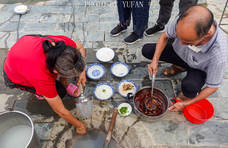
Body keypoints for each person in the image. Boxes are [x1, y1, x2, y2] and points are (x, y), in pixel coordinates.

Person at [142, 6, 228, 112]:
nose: (183, 44)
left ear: (207, 35)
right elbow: (165, 37)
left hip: (198, 68)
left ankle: (185, 95)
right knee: (147, 50)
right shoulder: (184, 20)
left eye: (188, 42)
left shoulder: (219, 54)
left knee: (190, 87)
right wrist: (154, 61)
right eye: (179, 37)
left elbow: (212, 87)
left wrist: (186, 103)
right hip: (179, 54)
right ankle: (178, 67)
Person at [3, 34, 87, 134]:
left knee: (62, 78)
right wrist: (80, 126)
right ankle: (40, 93)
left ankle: (62, 82)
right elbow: (60, 111)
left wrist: (83, 72)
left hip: (26, 46)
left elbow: (80, 47)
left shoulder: (62, 47)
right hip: (14, 71)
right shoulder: (41, 77)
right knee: (60, 92)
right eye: (72, 75)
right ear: (56, 71)